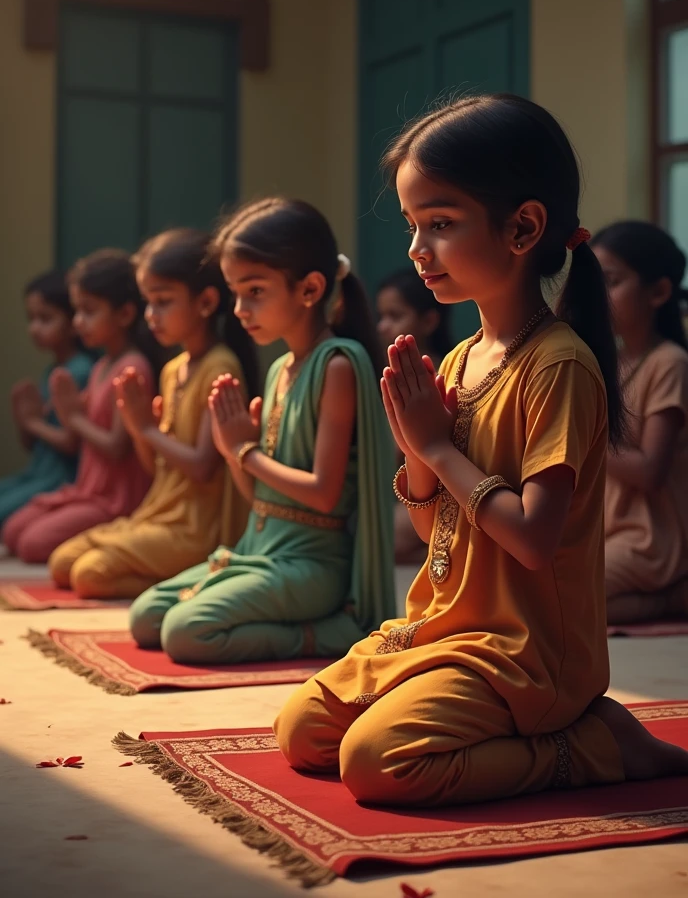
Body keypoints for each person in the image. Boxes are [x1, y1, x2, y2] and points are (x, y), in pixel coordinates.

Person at [275, 94, 688, 810]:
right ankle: (562, 729)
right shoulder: (463, 356)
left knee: (376, 764)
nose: (415, 249)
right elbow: (433, 513)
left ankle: (593, 743)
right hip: (447, 623)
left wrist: (437, 444)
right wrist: (418, 450)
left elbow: (532, 539)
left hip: (524, 650)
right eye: (411, 226)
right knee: (302, 732)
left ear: (523, 227)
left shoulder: (558, 365)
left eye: (439, 223)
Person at [129, 197, 395, 665]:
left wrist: (244, 450)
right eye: (235, 292)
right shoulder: (279, 371)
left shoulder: (337, 364)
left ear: (310, 289)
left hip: (311, 567)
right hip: (261, 550)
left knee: (186, 632)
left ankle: (331, 632)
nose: (239, 309)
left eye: (254, 291)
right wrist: (233, 454)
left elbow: (324, 495)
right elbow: (261, 502)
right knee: (146, 617)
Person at [48, 228, 258, 599]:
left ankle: (190, 578)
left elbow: (202, 466)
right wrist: (138, 427)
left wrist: (146, 427)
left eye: (162, 302)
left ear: (206, 303)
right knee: (62, 562)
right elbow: (156, 468)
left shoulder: (220, 367)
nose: (151, 315)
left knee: (89, 575)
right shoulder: (172, 368)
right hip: (158, 514)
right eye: (148, 302)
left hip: (194, 528)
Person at [3, 250, 156, 563]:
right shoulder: (101, 367)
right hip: (87, 491)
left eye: (88, 312)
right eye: (76, 312)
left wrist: (72, 417)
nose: (78, 322)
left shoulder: (133, 367)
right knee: (14, 531)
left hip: (114, 499)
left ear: (125, 315)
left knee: (32, 544)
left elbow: (116, 446)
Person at [592, 222, 688, 624]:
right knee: (536, 588)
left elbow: (650, 470)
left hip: (649, 539)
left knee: (564, 598)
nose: (598, 295)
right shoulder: (612, 363)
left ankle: (672, 596)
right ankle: (674, 599)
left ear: (659, 292)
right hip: (608, 530)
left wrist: (580, 439)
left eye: (611, 281)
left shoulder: (670, 363)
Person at [0, 271, 94, 529]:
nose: (35, 328)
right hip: (37, 473)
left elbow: (72, 443)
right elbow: (32, 445)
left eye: (46, 319)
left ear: (71, 321)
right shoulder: (51, 370)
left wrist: (32, 422)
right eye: (31, 319)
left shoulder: (80, 371)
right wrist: (22, 418)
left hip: (61, 479)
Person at [377, 267, 452, 567]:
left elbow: (396, 452)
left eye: (395, 316)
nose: (382, 326)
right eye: (380, 316)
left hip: (441, 496)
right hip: (410, 494)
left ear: (430, 320)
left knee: (378, 541)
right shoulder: (393, 374)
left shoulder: (434, 374)